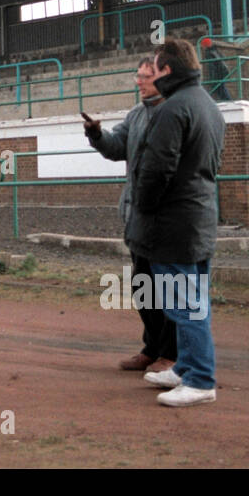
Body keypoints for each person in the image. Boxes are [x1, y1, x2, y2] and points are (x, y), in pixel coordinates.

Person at [130, 37, 226, 408]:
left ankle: (200, 379)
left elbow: (158, 170)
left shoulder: (174, 110)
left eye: (155, 68)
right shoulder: (209, 106)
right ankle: (185, 366)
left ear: (168, 70)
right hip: (198, 218)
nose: (151, 75)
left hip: (174, 223)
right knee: (193, 298)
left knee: (186, 304)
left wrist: (145, 206)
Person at [85, 56, 175, 375]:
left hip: (164, 219)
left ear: (164, 77)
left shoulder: (174, 115)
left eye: (145, 76)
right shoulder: (136, 115)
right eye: (137, 76)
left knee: (167, 288)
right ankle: (152, 348)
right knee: (142, 285)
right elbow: (115, 147)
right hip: (137, 217)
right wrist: (96, 135)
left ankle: (171, 353)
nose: (138, 81)